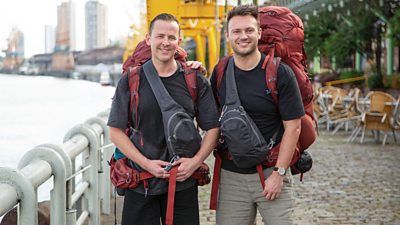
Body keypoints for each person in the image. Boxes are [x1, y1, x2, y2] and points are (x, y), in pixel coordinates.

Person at [107, 13, 220, 225]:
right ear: (148, 39)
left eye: (171, 37)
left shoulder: (194, 79)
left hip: (183, 182)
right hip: (141, 182)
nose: (165, 43)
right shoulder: (131, 80)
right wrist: (146, 164)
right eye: (160, 36)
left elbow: (213, 127)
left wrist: (194, 163)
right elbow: (115, 131)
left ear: (179, 41)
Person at [210, 4, 304, 225]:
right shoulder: (220, 71)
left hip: (271, 171)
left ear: (259, 33)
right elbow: (211, 118)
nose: (243, 36)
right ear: (227, 36)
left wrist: (280, 173)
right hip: (231, 175)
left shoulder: (280, 73)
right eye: (237, 31)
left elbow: (293, 127)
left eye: (249, 30)